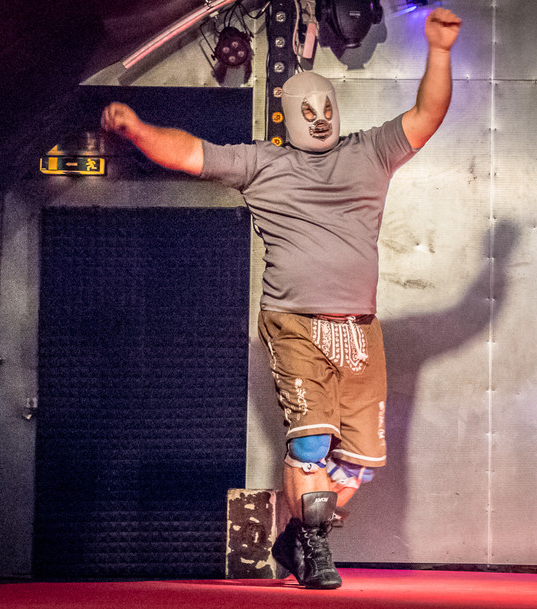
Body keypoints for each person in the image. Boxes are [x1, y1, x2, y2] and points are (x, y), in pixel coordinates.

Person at [101, 7, 461, 590]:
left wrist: (439, 52)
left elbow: (427, 114)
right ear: (289, 116)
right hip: (294, 322)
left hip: (360, 330)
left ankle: (296, 536)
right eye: (307, 111)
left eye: (326, 110)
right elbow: (192, 152)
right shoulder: (263, 163)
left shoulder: (370, 152)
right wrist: (139, 131)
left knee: (357, 466)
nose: (319, 119)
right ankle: (316, 550)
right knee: (312, 442)